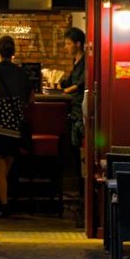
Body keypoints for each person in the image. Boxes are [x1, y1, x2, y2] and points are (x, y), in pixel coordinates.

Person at [0, 35, 33, 216]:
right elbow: (30, 100)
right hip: (15, 126)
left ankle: (0, 205)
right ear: (13, 51)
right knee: (5, 167)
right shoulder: (21, 73)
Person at [59, 26, 87, 218]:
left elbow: (82, 85)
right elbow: (69, 82)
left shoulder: (86, 61)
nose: (66, 47)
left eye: (69, 44)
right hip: (74, 114)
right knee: (75, 157)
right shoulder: (76, 61)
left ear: (78, 44)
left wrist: (66, 90)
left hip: (81, 115)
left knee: (81, 159)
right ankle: (80, 200)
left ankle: (83, 202)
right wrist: (61, 83)